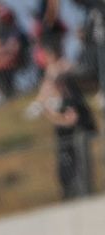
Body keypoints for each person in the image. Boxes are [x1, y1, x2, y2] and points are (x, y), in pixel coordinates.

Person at [34, 40, 98, 199]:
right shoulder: (55, 91)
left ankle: (78, 191)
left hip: (73, 138)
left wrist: (52, 116)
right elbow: (48, 106)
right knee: (65, 169)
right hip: (63, 139)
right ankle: (70, 191)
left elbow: (71, 119)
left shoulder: (69, 94)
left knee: (75, 166)